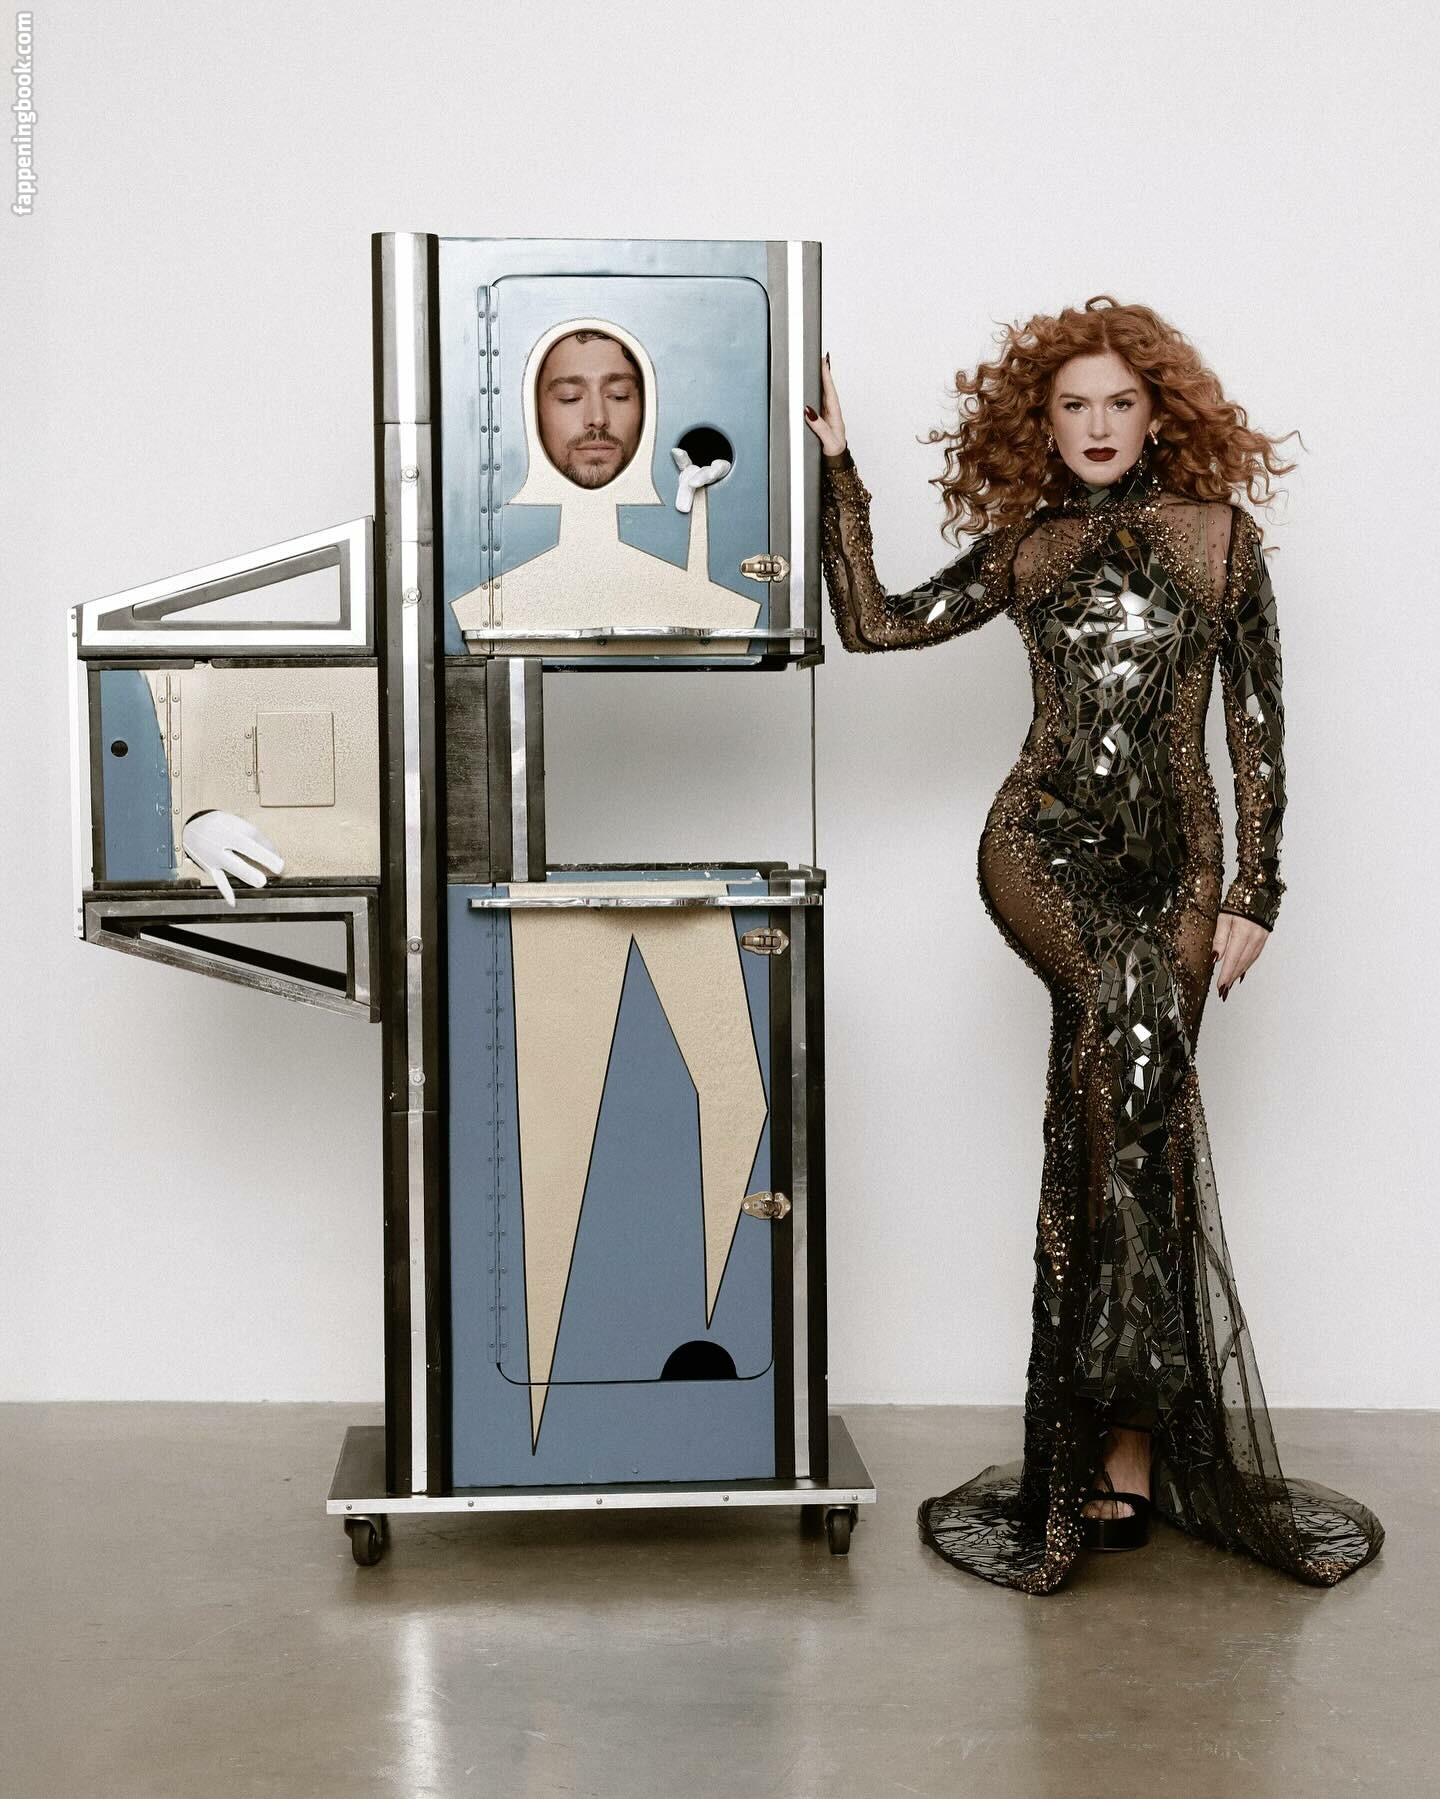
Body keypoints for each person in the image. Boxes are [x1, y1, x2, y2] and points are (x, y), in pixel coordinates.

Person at [804, 295, 1385, 1594]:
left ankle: (1117, 1443)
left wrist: (1254, 891)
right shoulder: (1032, 549)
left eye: (1122, 401)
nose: (1100, 424)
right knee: (1125, 1061)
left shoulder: (1219, 539)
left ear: (1159, 414)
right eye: (1075, 405)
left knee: (1133, 1120)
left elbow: (1256, 723)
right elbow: (876, 623)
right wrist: (841, 469)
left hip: (1178, 871)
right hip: (1043, 847)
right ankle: (1098, 1443)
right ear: (1044, 425)